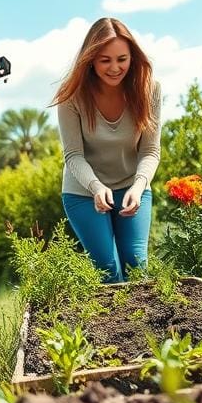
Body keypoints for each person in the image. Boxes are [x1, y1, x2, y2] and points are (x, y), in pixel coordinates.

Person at [53, 18, 161, 283]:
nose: (115, 68)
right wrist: (97, 187)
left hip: (132, 187)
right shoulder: (71, 96)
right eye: (105, 60)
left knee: (137, 267)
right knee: (107, 269)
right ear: (90, 60)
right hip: (84, 191)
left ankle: (142, 324)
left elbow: (150, 151)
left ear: (133, 58)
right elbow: (73, 155)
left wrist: (138, 187)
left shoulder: (149, 90)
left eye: (122, 59)